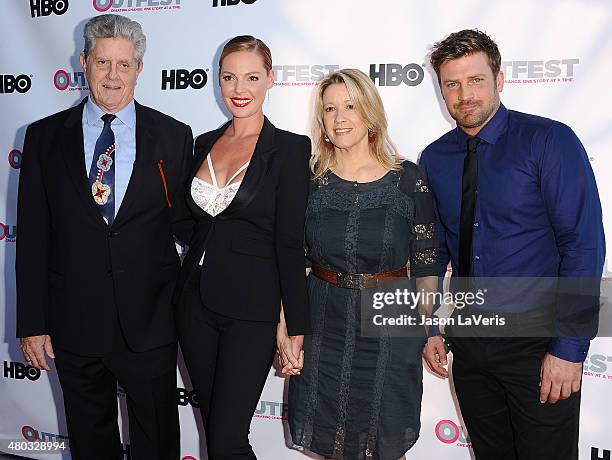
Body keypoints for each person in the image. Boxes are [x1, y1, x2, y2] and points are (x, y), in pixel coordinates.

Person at [420, 29, 605, 459]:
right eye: (452, 83)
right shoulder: (435, 158)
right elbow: (438, 251)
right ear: (441, 89)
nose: (465, 94)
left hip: (538, 342)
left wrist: (568, 348)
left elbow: (583, 247)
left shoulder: (548, 141)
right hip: (470, 342)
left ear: (499, 79)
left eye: (476, 80)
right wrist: (432, 325)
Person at [16, 14, 194, 460]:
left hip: (150, 320)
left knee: (157, 439)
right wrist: (32, 323)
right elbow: (34, 236)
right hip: (74, 320)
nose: (113, 75)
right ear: (84, 63)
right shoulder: (43, 137)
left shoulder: (174, 136)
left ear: (139, 68)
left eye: (124, 64)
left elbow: (189, 226)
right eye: (102, 63)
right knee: (90, 440)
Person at [280, 69, 439, 460]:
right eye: (330, 108)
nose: (339, 118)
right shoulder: (310, 178)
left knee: (385, 439)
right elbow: (294, 262)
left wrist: (430, 328)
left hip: (389, 325)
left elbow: (425, 263)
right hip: (321, 323)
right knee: (328, 441)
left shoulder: (408, 178)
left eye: (350, 106)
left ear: (369, 112)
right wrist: (286, 329)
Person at [173, 35, 311, 459]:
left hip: (252, 312)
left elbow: (290, 242)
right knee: (217, 434)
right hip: (193, 305)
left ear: (271, 79)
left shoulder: (290, 149)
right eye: (229, 77)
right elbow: (188, 222)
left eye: (252, 77)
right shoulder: (202, 143)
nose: (239, 89)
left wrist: (295, 323)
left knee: (230, 438)